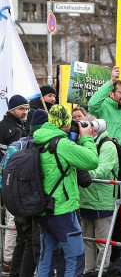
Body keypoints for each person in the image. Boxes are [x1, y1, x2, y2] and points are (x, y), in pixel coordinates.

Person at [34, 104, 99, 276]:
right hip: (63, 209)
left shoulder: (39, 139)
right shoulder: (61, 143)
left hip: (44, 209)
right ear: (66, 122)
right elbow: (92, 161)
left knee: (46, 258)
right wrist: (86, 138)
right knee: (75, 258)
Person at [88, 66, 121, 261]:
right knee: (109, 215)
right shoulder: (104, 106)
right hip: (106, 169)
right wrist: (110, 81)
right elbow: (92, 104)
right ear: (112, 93)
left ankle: (118, 255)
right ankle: (108, 259)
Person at [0, 109, 48, 277]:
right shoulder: (38, 145)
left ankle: (14, 273)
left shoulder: (18, 143)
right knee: (30, 242)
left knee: (21, 239)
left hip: (14, 200)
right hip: (29, 201)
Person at [79, 115, 118, 275]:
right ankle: (89, 272)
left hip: (102, 201)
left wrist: (81, 174)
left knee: (102, 243)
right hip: (85, 200)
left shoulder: (107, 145)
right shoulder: (83, 144)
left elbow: (102, 170)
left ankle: (100, 271)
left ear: (92, 128)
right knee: (87, 241)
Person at [0, 94, 30, 275]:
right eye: (22, 109)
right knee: (11, 224)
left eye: (27, 109)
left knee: (6, 223)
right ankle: (8, 263)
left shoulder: (4, 125)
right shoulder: (16, 131)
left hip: (3, 182)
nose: (25, 112)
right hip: (11, 184)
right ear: (13, 110)